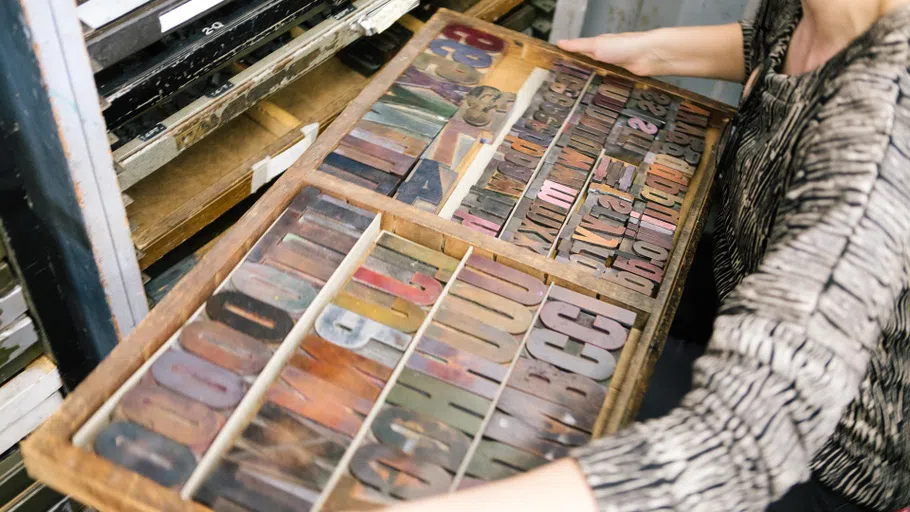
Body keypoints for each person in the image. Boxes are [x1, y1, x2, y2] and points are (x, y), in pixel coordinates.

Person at [386, 0, 910, 510]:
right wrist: (651, 52)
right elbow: (774, 47)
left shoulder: (883, 132)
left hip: (824, 454)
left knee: (500, 397)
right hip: (742, 282)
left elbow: (742, 443)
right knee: (484, 309)